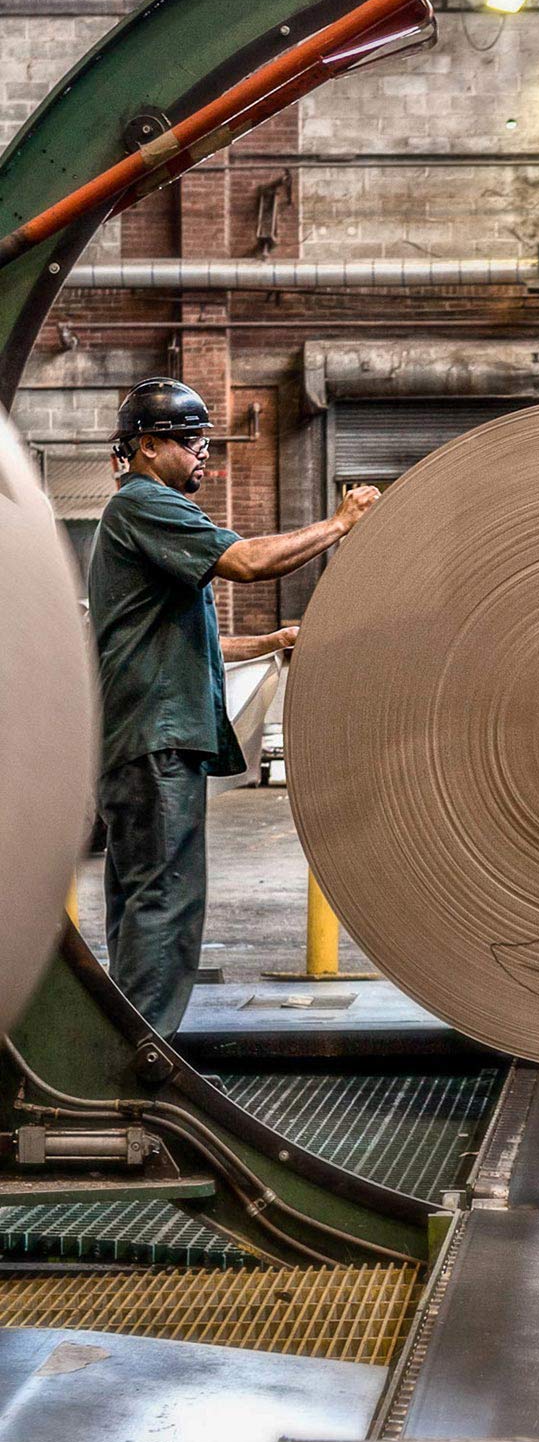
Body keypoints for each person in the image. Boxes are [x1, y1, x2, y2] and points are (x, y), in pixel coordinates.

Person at [87, 377, 379, 1038]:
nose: (202, 455)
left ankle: (125, 1045)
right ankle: (144, 1062)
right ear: (148, 444)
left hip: (140, 738)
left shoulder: (134, 517)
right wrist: (339, 525)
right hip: (156, 741)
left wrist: (270, 640)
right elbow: (246, 561)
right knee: (166, 903)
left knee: (141, 902)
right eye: (190, 441)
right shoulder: (147, 505)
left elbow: (183, 636)